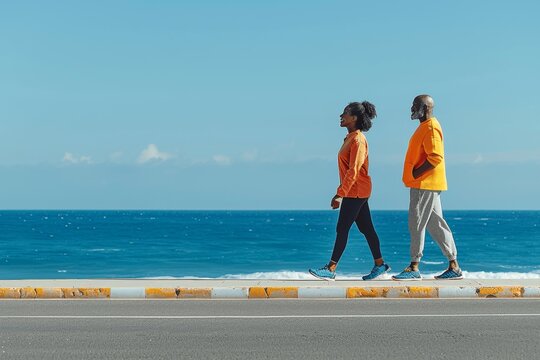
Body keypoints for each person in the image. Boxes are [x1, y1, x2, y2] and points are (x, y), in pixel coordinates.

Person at [309, 101, 390, 281]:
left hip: (356, 190)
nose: (341, 116)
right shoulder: (350, 138)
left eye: (345, 113)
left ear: (354, 118)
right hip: (356, 190)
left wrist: (340, 194)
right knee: (366, 228)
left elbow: (354, 170)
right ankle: (380, 264)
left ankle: (330, 269)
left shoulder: (358, 140)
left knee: (342, 228)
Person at [392, 95, 462, 280]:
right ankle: (454, 266)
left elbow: (435, 157)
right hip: (426, 183)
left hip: (425, 184)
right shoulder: (425, 127)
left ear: (425, 108)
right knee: (436, 224)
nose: (411, 108)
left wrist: (416, 173)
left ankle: (414, 267)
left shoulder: (430, 127)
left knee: (416, 223)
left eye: (415, 105)